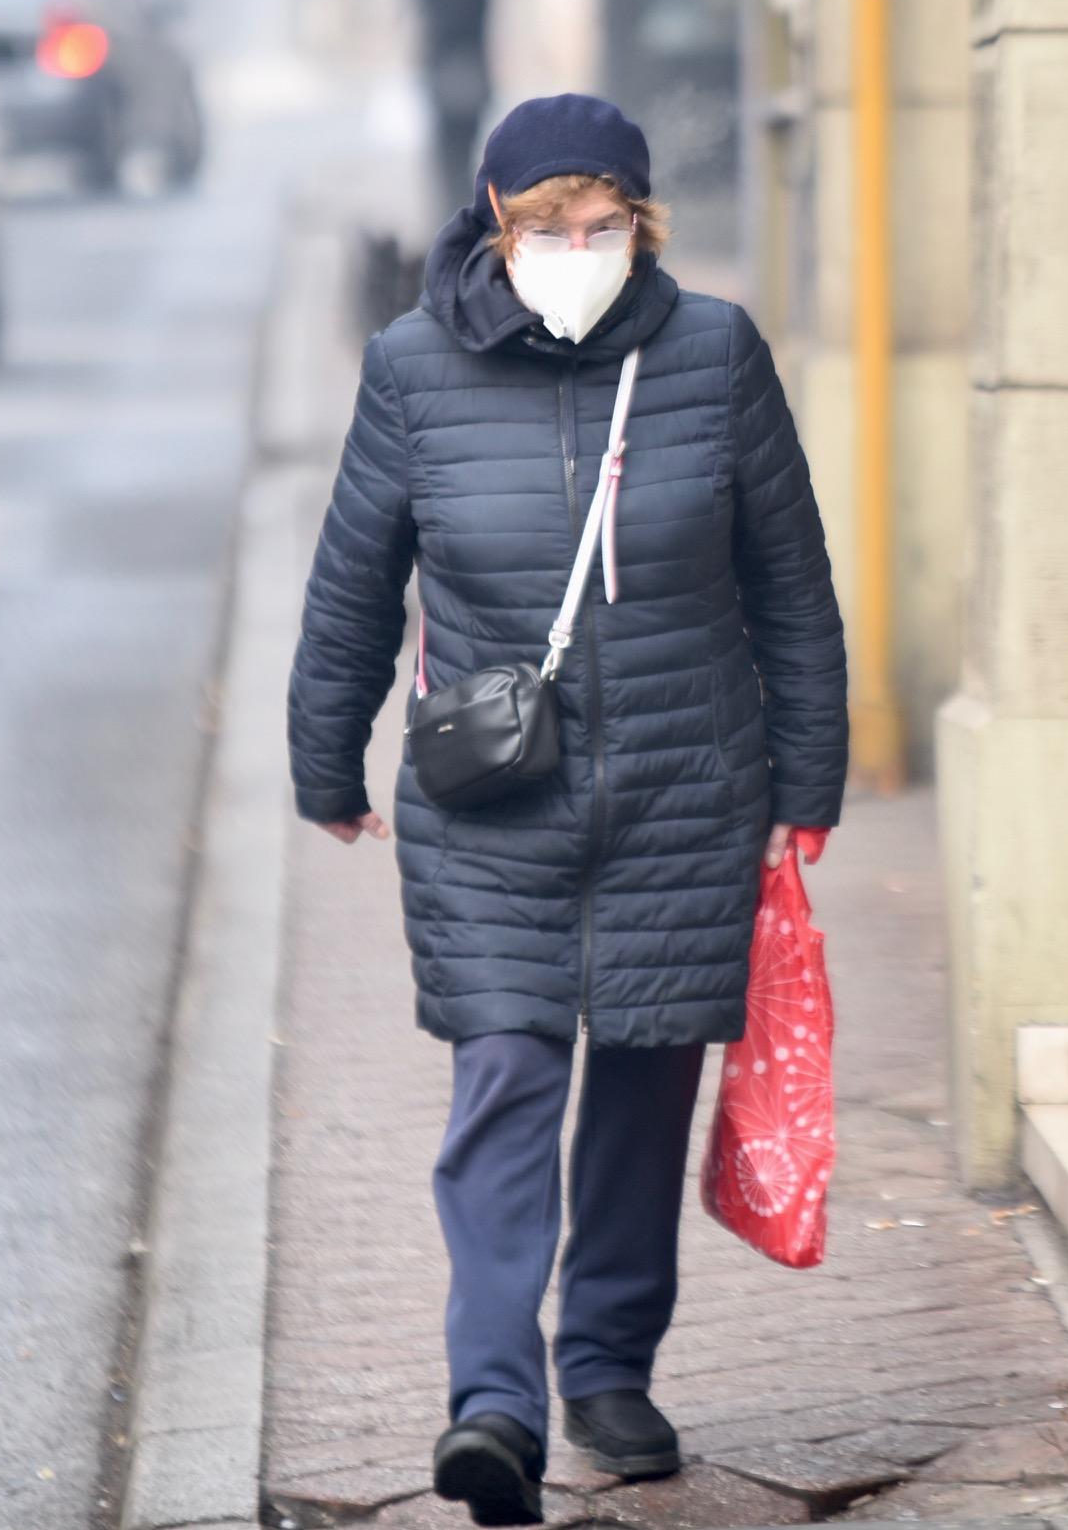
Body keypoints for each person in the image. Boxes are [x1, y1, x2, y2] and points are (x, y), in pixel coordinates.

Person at [288, 95, 848, 1527]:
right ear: (498, 222)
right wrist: (325, 764)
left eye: (605, 226)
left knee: (644, 1088)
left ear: (644, 227)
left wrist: (809, 785)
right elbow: (355, 576)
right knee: (508, 1083)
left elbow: (789, 582)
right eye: (549, 226)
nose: (577, 248)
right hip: (495, 803)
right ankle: (494, 1402)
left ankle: (606, 1367)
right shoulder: (411, 370)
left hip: (684, 789)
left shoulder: (712, 355)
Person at [413, 0, 493, 220]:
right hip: (455, 64)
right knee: (453, 151)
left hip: (456, 63)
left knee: (453, 152)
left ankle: (453, 219)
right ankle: (453, 218)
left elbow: (455, 15)